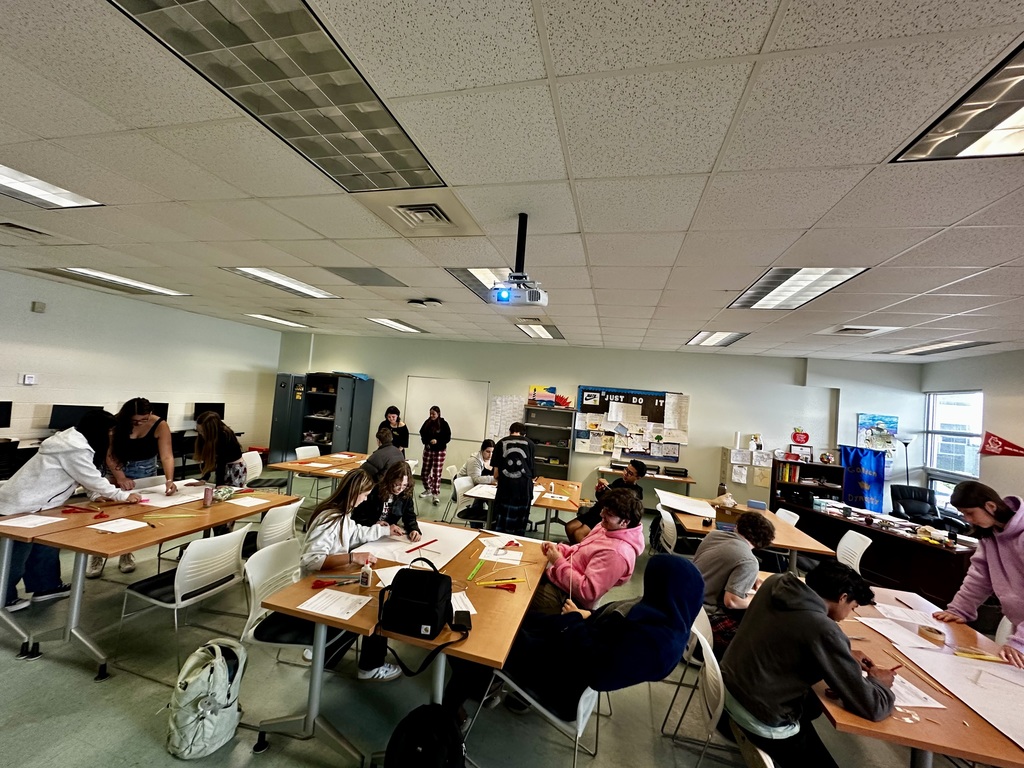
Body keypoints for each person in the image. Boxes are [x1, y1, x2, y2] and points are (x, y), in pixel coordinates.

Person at [442, 554, 704, 724]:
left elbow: (598, 671)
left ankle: (451, 712)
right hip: (568, 646)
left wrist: (577, 622)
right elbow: (609, 628)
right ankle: (480, 683)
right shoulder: (662, 615)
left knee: (479, 639)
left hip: (561, 681)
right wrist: (585, 617)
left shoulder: (653, 645)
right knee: (508, 619)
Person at [722, 561, 897, 768]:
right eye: (853, 607)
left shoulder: (775, 583)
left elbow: (786, 632)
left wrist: (842, 654)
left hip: (727, 691)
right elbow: (873, 707)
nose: (849, 614)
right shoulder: (823, 628)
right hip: (760, 718)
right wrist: (880, 684)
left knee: (813, 706)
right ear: (842, 598)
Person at [1, 410, 141, 612]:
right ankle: (4, 598)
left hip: (41, 506)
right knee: (16, 554)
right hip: (19, 505)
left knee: (45, 547)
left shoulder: (76, 443)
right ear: (98, 430)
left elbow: (81, 476)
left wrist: (94, 496)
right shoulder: (73, 448)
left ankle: (47, 587)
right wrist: (123, 496)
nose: (111, 436)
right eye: (109, 431)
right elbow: (90, 477)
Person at [301, 468, 402, 681]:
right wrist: (352, 558)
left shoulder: (342, 514)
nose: (365, 500)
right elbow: (311, 560)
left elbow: (356, 532)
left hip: (330, 578)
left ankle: (328, 652)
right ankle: (370, 666)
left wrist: (384, 530)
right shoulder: (330, 519)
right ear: (355, 492)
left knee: (374, 594)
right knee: (376, 603)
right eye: (364, 495)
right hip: (316, 584)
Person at [932, 480, 1024, 668]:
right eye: (964, 514)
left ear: (990, 506)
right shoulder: (990, 535)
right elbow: (979, 577)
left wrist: (1020, 642)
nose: (968, 519)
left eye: (970, 513)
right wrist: (959, 610)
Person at [90, 397, 177, 578]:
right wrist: (120, 477)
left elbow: (167, 455)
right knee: (107, 514)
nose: (139, 423)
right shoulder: (115, 424)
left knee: (134, 515)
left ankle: (126, 554)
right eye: (135, 420)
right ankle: (97, 555)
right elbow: (109, 453)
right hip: (115, 468)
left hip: (144, 470)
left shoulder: (160, 425)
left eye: (144, 419)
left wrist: (169, 480)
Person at [531, 488, 645, 615]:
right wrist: (560, 549)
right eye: (604, 509)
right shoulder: (607, 527)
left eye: (609, 513)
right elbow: (581, 549)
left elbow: (587, 592)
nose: (602, 514)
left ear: (625, 522)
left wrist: (558, 561)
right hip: (561, 579)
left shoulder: (616, 554)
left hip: (570, 597)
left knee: (522, 598)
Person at [692, 511, 776, 657]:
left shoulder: (714, 535)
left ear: (738, 526)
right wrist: (759, 597)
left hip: (689, 606)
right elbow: (732, 601)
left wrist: (751, 577)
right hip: (706, 618)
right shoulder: (749, 561)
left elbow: (723, 562)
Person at [565, 459, 646, 544]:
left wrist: (609, 490)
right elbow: (602, 498)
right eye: (626, 470)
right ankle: (575, 550)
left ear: (638, 477)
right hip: (596, 510)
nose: (626, 474)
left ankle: (583, 553)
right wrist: (600, 490)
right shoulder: (619, 481)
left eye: (630, 473)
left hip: (606, 517)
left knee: (578, 533)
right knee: (569, 527)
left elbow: (619, 505)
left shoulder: (636, 492)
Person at [352, 461, 421, 542]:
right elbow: (357, 516)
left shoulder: (405, 494)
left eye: (404, 485)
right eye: (397, 484)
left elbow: (409, 516)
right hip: (366, 532)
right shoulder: (374, 491)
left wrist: (414, 529)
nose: (400, 489)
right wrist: (375, 522)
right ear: (390, 480)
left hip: (387, 535)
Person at [490, 422, 535, 536]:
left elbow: (495, 474)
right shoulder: (530, 444)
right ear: (524, 434)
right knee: (520, 523)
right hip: (524, 489)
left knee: (503, 522)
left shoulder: (500, 443)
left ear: (510, 432)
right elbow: (532, 470)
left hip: (506, 488)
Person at [194, 410, 246, 488]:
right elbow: (208, 458)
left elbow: (221, 462)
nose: (201, 434)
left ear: (211, 430)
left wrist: (220, 484)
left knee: (228, 494)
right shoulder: (207, 436)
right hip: (223, 466)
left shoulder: (224, 435)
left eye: (203, 431)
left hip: (234, 468)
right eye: (199, 431)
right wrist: (204, 479)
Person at [455, 439, 495, 523]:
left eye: (492, 452)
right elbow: (476, 479)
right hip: (466, 490)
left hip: (478, 488)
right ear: (482, 450)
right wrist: (494, 478)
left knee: (494, 501)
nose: (490, 455)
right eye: (488, 452)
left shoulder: (491, 460)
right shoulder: (474, 461)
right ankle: (480, 524)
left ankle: (493, 519)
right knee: (485, 500)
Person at [418, 405, 451, 505]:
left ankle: (435, 494)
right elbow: (422, 434)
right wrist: (427, 441)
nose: (432, 415)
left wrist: (437, 441)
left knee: (436, 473)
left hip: (440, 450)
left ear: (438, 414)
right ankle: (428, 489)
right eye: (430, 413)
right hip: (428, 449)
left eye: (434, 414)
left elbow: (447, 437)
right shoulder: (427, 423)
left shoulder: (443, 424)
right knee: (424, 472)